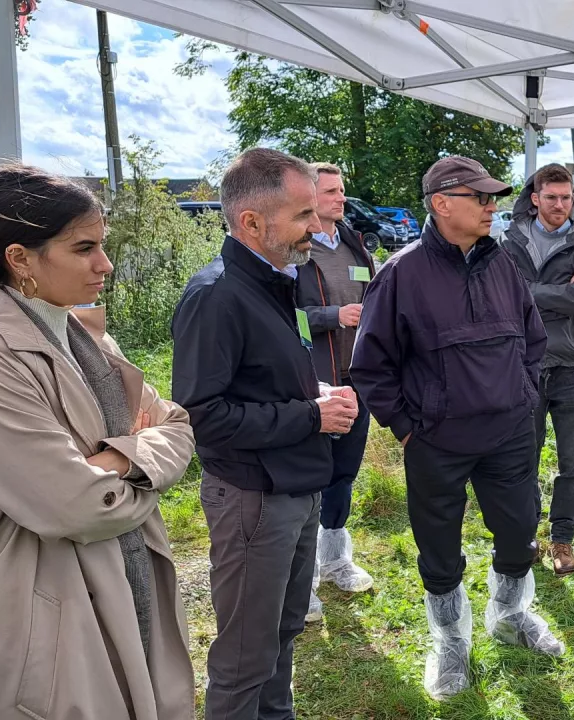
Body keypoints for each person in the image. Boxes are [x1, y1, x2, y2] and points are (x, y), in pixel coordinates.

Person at [0, 165, 197, 719]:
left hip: (117, 588)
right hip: (38, 628)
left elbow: (176, 425)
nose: (104, 264)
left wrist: (116, 459)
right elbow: (78, 506)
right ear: (21, 259)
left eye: (102, 246)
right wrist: (142, 465)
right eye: (84, 248)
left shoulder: (81, 335)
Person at [351, 155, 563, 700]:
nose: (493, 207)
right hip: (436, 441)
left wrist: (522, 396)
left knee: (519, 529)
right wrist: (407, 428)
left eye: (494, 198)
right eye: (481, 198)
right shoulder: (401, 274)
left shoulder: (502, 265)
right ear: (442, 204)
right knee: (438, 546)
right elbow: (371, 366)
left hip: (510, 433)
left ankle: (511, 614)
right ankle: (449, 641)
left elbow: (532, 339)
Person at [171, 147, 359, 720]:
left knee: (282, 632)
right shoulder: (217, 296)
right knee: (245, 658)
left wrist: (314, 395)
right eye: (303, 215)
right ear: (252, 222)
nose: (317, 226)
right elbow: (202, 417)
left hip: (293, 488)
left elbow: (260, 381)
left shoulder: (275, 281)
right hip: (254, 499)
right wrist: (310, 416)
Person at [501, 163, 574, 576]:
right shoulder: (510, 243)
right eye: (551, 197)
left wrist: (532, 293)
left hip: (573, 363)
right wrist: (554, 293)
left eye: (566, 197)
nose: (560, 205)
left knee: (573, 459)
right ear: (535, 199)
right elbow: (506, 298)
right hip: (523, 362)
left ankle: (562, 539)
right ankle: (526, 535)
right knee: (522, 455)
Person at [298, 162, 377, 617]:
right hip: (315, 380)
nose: (339, 198)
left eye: (341, 190)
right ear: (309, 198)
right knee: (311, 476)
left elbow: (371, 296)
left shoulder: (352, 242)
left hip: (358, 376)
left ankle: (335, 561)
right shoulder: (295, 251)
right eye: (330, 191)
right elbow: (281, 319)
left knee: (343, 473)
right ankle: (301, 578)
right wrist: (333, 317)